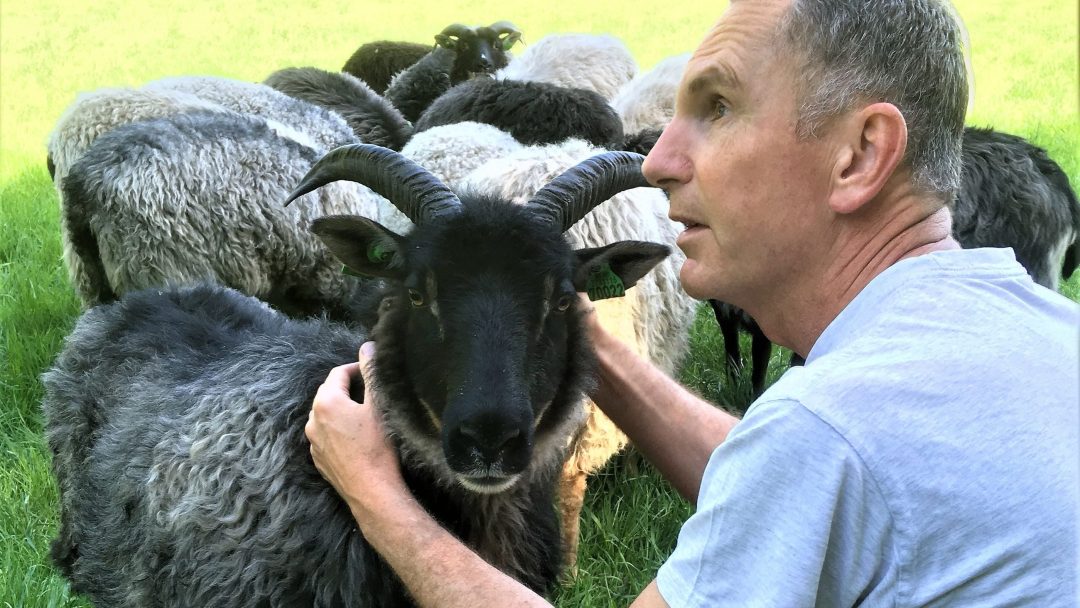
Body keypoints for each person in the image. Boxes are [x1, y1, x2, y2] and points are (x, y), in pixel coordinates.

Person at [305, 0, 1080, 605]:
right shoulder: (1047, 334)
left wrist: (377, 496)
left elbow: (814, 455)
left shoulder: (830, 428)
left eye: (717, 108)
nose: (659, 161)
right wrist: (580, 343)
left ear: (859, 154)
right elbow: (796, 484)